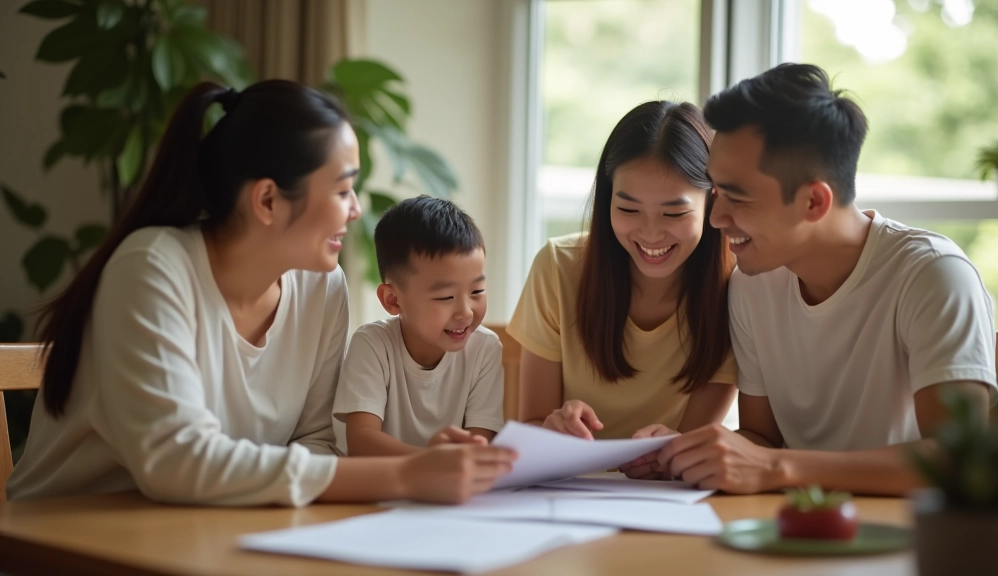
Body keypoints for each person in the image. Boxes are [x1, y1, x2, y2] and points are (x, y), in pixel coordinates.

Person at [6, 80, 514, 506]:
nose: (356, 209)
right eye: (342, 190)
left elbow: (315, 441)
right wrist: (405, 474)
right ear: (268, 200)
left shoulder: (322, 286)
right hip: (69, 540)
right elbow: (176, 461)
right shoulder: (153, 268)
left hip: (211, 531)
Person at [655, 63, 996, 495]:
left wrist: (780, 467)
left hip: (902, 529)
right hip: (794, 520)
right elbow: (763, 439)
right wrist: (685, 454)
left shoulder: (933, 275)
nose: (716, 217)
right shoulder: (751, 284)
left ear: (814, 201)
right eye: (715, 191)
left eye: (737, 198)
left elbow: (957, 459)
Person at [508, 101, 738, 478]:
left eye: (674, 213)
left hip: (673, 493)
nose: (650, 233)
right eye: (628, 209)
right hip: (569, 489)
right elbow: (532, 428)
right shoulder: (558, 267)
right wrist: (553, 429)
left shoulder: (735, 289)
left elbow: (695, 442)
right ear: (607, 199)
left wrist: (675, 448)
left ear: (713, 201)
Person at [333, 196, 505, 456]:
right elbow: (361, 442)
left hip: (447, 481)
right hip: (377, 481)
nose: (466, 311)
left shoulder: (485, 349)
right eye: (446, 297)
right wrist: (427, 463)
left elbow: (476, 448)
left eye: (477, 291)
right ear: (393, 300)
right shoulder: (372, 344)